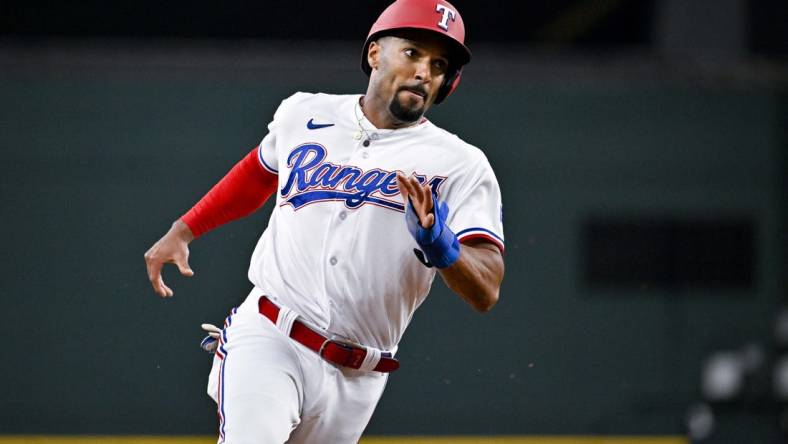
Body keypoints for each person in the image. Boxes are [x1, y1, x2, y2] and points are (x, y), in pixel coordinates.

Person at [143, 0, 505, 442]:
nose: (424, 71)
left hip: (360, 375)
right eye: (412, 52)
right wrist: (185, 229)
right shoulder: (304, 113)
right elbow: (258, 173)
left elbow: (487, 288)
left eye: (439, 63)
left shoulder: (461, 164)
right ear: (375, 53)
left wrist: (442, 246)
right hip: (272, 335)